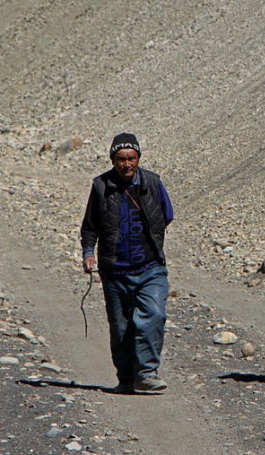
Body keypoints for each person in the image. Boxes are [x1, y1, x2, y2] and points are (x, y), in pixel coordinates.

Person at [80, 132, 174, 394]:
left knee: (153, 315)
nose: (126, 164)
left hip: (150, 267)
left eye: (131, 158)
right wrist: (89, 253)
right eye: (121, 159)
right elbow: (89, 227)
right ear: (112, 160)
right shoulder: (100, 186)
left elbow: (167, 214)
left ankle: (146, 373)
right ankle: (126, 378)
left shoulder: (153, 183)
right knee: (120, 328)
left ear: (139, 158)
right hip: (114, 272)